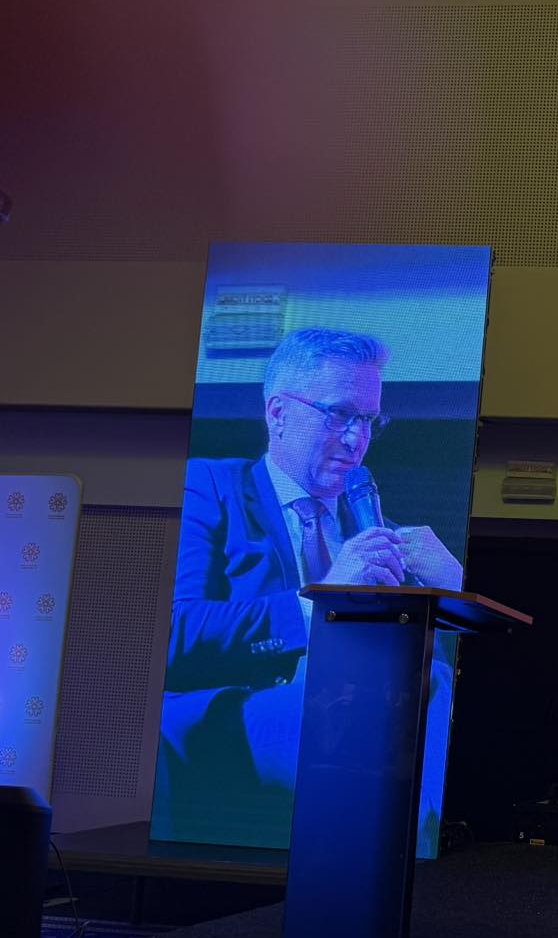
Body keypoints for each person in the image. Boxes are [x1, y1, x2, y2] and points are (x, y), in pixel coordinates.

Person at [156, 327, 465, 843]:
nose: (356, 440)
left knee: (429, 677)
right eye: (339, 414)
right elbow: (173, 632)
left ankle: (412, 842)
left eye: (368, 420)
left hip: (346, 706)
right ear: (278, 413)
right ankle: (397, 845)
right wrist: (321, 600)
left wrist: (451, 587)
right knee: (360, 716)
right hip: (235, 707)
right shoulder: (211, 485)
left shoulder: (371, 527)